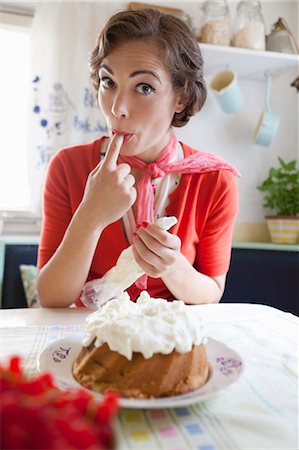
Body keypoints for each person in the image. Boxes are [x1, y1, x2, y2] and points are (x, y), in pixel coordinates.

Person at [36, 8, 239, 308]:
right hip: (89, 341)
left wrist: (172, 266)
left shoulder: (215, 180)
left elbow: (213, 291)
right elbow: (52, 298)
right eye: (109, 82)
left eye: (143, 87)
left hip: (170, 339)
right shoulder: (67, 167)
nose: (118, 108)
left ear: (180, 97)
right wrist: (89, 218)